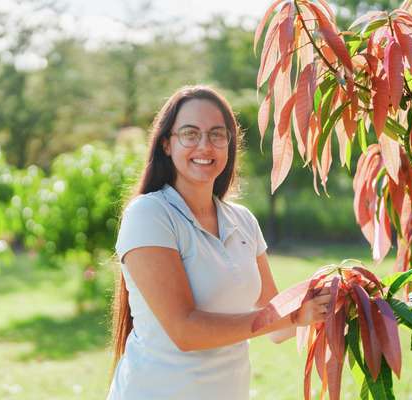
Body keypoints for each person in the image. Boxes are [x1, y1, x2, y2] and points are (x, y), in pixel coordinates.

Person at [107, 85, 331, 399]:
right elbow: (184, 331)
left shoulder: (242, 221)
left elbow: (279, 327)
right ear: (167, 145)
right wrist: (291, 315)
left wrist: (327, 296)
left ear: (229, 144)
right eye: (189, 133)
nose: (205, 146)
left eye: (216, 134)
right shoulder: (150, 214)